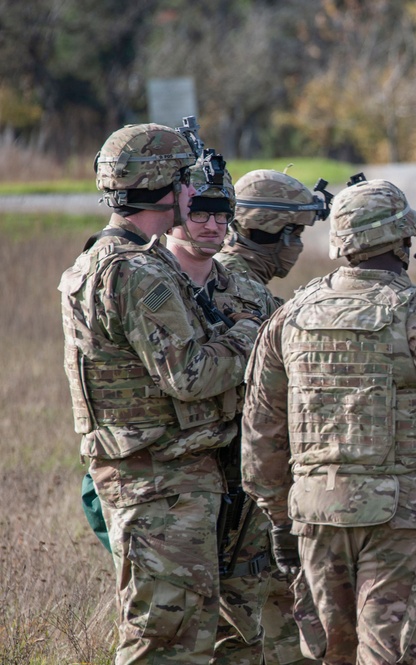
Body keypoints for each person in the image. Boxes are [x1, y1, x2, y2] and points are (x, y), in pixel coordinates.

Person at [240, 177, 416, 664]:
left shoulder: (291, 318)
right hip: (403, 524)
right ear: (403, 242)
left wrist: (282, 519)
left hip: (316, 519)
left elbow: (261, 439)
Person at [59, 123, 262, 664]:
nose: (195, 194)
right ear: (165, 188)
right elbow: (190, 375)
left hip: (155, 477)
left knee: (183, 636)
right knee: (166, 642)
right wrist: (251, 333)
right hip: (160, 483)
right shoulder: (138, 273)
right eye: (186, 181)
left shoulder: (102, 259)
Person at [215, 167, 329, 665]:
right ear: (277, 235)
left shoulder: (209, 275)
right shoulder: (251, 298)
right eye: (297, 234)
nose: (299, 247)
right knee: (252, 625)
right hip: (244, 489)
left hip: (226, 483)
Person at [217, 169, 321, 294]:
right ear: (267, 227)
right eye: (296, 235)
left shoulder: (235, 274)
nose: (299, 246)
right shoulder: (236, 285)